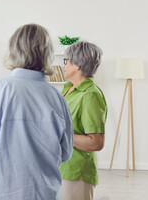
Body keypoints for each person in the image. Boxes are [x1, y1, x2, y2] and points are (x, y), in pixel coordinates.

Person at [0, 24, 74, 199]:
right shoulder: (57, 98)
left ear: (13, 50)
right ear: (48, 53)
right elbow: (65, 153)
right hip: (43, 193)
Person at [59, 41, 107, 200]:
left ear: (78, 65)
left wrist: (60, 134)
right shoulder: (68, 90)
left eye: (66, 61)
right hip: (63, 167)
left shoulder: (90, 95)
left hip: (77, 171)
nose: (64, 65)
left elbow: (96, 142)